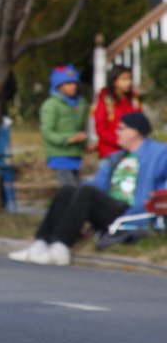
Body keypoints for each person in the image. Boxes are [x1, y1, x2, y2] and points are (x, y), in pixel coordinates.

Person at [9, 111, 167, 266]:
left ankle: (61, 246)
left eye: (121, 128)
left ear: (135, 131)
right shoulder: (116, 157)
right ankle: (41, 242)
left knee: (87, 193)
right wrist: (76, 195)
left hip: (133, 211)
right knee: (68, 190)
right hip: (110, 208)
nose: (116, 132)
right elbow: (98, 184)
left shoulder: (159, 154)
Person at [39, 64, 89, 187]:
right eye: (68, 83)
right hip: (59, 155)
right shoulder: (51, 105)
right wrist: (67, 139)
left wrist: (84, 142)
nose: (73, 87)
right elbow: (47, 131)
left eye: (74, 83)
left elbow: (80, 127)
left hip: (75, 154)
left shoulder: (80, 103)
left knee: (76, 188)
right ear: (58, 85)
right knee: (69, 190)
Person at [92, 65, 141, 164]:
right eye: (124, 79)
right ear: (114, 81)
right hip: (110, 152)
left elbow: (139, 121)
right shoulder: (106, 100)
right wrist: (119, 140)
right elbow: (101, 128)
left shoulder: (133, 99)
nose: (128, 82)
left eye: (129, 79)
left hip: (131, 151)